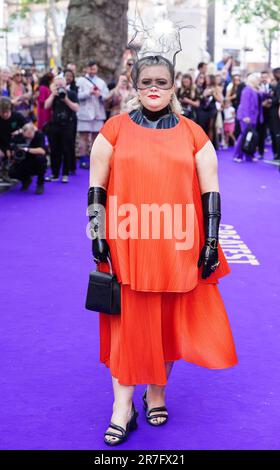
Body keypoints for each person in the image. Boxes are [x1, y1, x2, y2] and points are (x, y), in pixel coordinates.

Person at [88, 55, 238, 446]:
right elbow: (96, 187)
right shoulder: (114, 130)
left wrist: (210, 241)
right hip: (127, 246)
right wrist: (96, 232)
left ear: (174, 86)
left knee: (167, 325)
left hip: (178, 246)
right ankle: (123, 408)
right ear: (134, 86)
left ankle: (157, 391)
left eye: (162, 81)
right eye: (146, 82)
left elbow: (211, 191)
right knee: (128, 328)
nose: (153, 88)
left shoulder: (193, 134)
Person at [44, 75, 79, 182]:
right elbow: (46, 106)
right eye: (57, 85)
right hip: (55, 124)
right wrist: (52, 96)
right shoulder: (53, 94)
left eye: (61, 85)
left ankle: (65, 174)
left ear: (65, 85)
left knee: (67, 149)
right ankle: (54, 174)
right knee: (54, 150)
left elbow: (76, 108)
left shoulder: (71, 93)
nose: (60, 87)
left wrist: (66, 99)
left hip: (68, 124)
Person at [76, 60, 109, 169]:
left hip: (98, 112)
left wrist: (99, 95)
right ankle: (83, 159)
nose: (92, 70)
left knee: (96, 137)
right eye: (90, 68)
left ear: (96, 69)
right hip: (84, 112)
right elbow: (77, 95)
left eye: (94, 68)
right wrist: (88, 92)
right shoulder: (80, 81)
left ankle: (94, 158)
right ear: (86, 69)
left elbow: (106, 96)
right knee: (83, 137)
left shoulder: (101, 82)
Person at [8, 122, 47, 194]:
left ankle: (40, 184)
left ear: (34, 131)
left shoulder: (39, 135)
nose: (28, 136)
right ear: (23, 132)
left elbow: (42, 151)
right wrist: (13, 153)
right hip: (23, 160)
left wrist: (27, 149)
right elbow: (11, 150)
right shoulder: (18, 137)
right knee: (11, 172)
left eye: (30, 134)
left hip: (36, 160)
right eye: (27, 134)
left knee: (41, 159)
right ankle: (26, 180)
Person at [233, 73, 262, 162]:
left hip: (253, 117)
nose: (259, 80)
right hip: (246, 117)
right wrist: (246, 116)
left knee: (250, 136)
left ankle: (248, 155)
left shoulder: (255, 89)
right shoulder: (247, 89)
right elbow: (244, 104)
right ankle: (238, 155)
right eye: (257, 79)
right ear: (253, 80)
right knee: (244, 136)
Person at [0, 97, 26, 181]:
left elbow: (30, 127)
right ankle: (3, 171)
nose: (4, 115)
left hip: (13, 142)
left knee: (15, 154)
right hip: (1, 142)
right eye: (2, 112)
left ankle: (8, 171)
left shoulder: (17, 116)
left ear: (10, 109)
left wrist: (19, 131)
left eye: (6, 112)